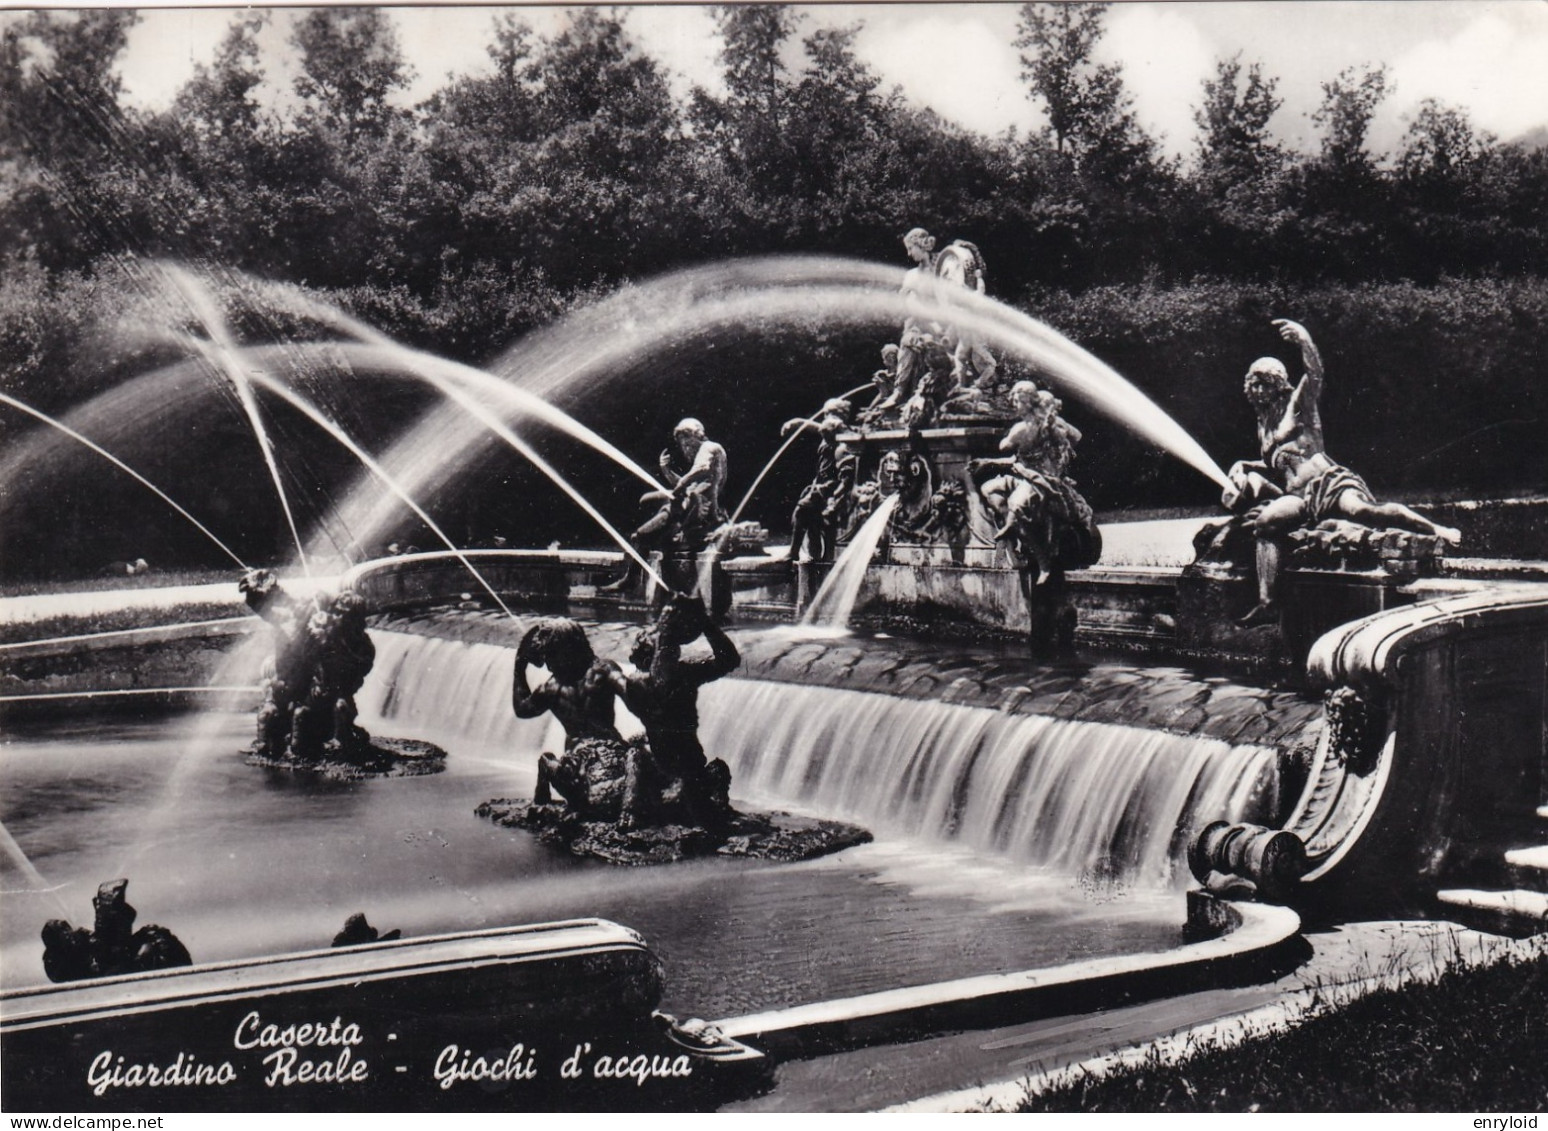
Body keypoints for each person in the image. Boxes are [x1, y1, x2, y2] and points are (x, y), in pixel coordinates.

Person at [1232, 319, 1461, 625]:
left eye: (1265, 382)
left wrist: (1305, 340)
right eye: (1254, 383)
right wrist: (1245, 465)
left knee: (1366, 511)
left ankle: (1437, 530)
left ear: (1277, 383)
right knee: (1265, 523)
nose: (1259, 390)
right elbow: (1277, 463)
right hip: (1297, 497)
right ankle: (1268, 603)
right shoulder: (1263, 426)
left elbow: (1315, 374)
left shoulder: (1298, 403)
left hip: (1326, 483)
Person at [618, 595, 739, 828]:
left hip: (691, 768)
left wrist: (707, 624)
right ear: (647, 656)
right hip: (665, 770)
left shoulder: (684, 673)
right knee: (636, 755)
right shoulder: (636, 684)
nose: (673, 648)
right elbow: (661, 683)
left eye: (672, 645)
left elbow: (729, 660)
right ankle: (630, 811)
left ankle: (703, 809)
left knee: (716, 771)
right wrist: (665, 632)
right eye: (666, 645)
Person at [512, 618, 630, 815]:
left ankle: (546, 777)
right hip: (597, 754)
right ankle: (547, 771)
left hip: (598, 754)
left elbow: (522, 709)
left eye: (551, 655)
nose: (548, 666)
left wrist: (519, 668)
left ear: (567, 650)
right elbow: (633, 696)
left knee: (598, 793)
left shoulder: (552, 687)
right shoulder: (604, 670)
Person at [602, 418, 729, 593]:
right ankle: (639, 563)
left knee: (640, 534)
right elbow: (689, 483)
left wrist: (680, 486)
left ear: (696, 435)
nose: (684, 445)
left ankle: (630, 579)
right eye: (681, 441)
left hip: (691, 509)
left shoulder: (708, 447)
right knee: (646, 500)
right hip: (689, 504)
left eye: (686, 439)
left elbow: (701, 469)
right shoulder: (706, 452)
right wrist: (666, 470)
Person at [783, 398, 857, 563]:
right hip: (820, 482)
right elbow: (824, 429)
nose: (824, 418)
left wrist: (799, 422)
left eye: (827, 413)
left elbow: (826, 427)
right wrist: (798, 423)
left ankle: (795, 552)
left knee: (802, 510)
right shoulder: (830, 436)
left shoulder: (841, 434)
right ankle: (815, 554)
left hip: (830, 485)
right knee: (809, 519)